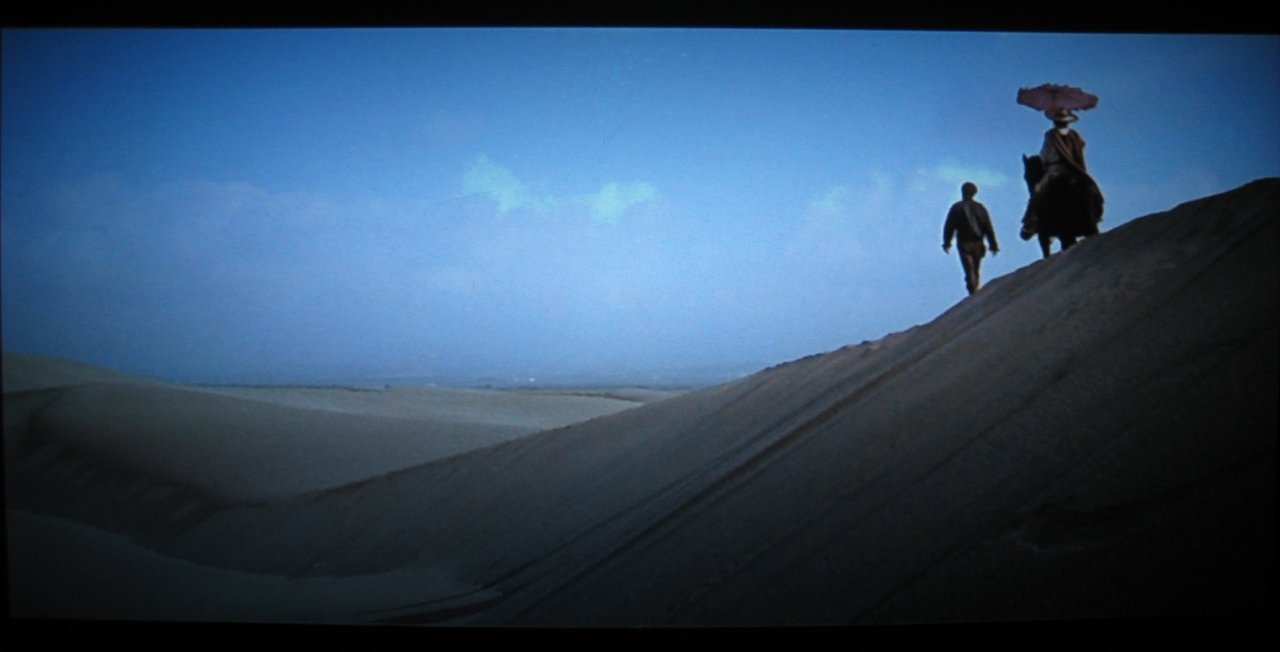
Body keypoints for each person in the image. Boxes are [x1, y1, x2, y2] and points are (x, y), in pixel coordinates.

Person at [943, 181, 999, 295]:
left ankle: (973, 291)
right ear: (974, 193)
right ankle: (974, 289)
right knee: (975, 268)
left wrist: (947, 242)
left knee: (969, 268)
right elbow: (988, 227)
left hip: (964, 243)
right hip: (978, 242)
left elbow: (949, 226)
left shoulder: (956, 207)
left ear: (962, 192)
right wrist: (993, 244)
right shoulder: (980, 208)